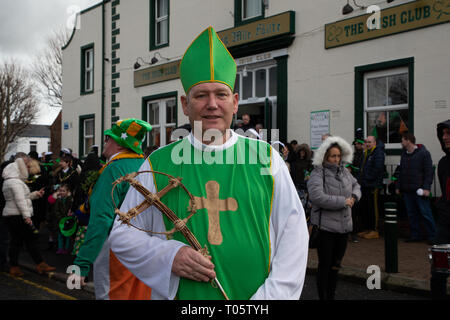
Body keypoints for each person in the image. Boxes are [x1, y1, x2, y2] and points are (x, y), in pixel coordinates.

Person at [109, 26, 309, 300]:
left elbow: (294, 235)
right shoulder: (158, 163)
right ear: (185, 104)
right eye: (201, 95)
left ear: (235, 102)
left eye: (221, 94)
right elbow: (121, 234)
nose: (212, 104)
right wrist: (169, 255)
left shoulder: (266, 159)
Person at [72, 118, 153, 300]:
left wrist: (81, 264)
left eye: (108, 138)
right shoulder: (147, 166)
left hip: (116, 249)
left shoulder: (113, 170)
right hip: (147, 248)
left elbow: (101, 220)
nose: (105, 142)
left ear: (118, 144)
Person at [307, 136, 360, 300]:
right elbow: (317, 196)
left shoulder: (344, 171)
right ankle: (324, 296)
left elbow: (356, 185)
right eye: (333, 156)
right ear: (325, 156)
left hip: (344, 227)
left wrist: (354, 197)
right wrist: (343, 202)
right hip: (326, 229)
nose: (336, 159)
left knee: (336, 266)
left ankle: (331, 295)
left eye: (338, 156)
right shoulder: (317, 173)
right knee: (325, 266)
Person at [2, 153, 55, 276]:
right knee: (27, 240)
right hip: (18, 215)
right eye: (25, 164)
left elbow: (22, 198)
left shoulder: (11, 181)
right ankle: (38, 264)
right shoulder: (15, 182)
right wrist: (27, 217)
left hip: (13, 215)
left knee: (18, 241)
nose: (27, 167)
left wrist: (35, 194)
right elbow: (20, 201)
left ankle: (18, 266)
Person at [395, 132, 436, 243]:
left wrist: (426, 188)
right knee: (412, 215)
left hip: (420, 191)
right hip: (407, 190)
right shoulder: (404, 154)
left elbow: (429, 172)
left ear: (408, 140)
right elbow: (401, 172)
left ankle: (433, 237)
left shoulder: (424, 153)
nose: (401, 142)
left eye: (402, 140)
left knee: (426, 213)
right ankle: (415, 236)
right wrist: (398, 186)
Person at [430, 119, 450, 299]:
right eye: (443, 134)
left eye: (448, 133)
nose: (444, 137)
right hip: (445, 225)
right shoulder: (444, 163)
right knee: (438, 272)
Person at [358, 135, 385, 239]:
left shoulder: (378, 153)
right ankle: (367, 228)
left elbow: (377, 169)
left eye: (369, 142)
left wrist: (367, 179)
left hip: (373, 185)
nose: (367, 144)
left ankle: (375, 229)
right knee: (367, 208)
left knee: (373, 208)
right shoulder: (366, 153)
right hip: (365, 185)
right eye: (366, 142)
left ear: (375, 143)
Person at [48, 184, 73, 254]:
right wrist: (61, 218)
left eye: (64, 191)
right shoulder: (57, 200)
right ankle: (60, 248)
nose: (62, 192)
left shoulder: (70, 199)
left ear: (67, 192)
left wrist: (69, 216)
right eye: (60, 191)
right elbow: (56, 210)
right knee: (60, 235)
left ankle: (67, 249)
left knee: (67, 235)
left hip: (68, 220)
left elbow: (71, 209)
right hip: (60, 220)